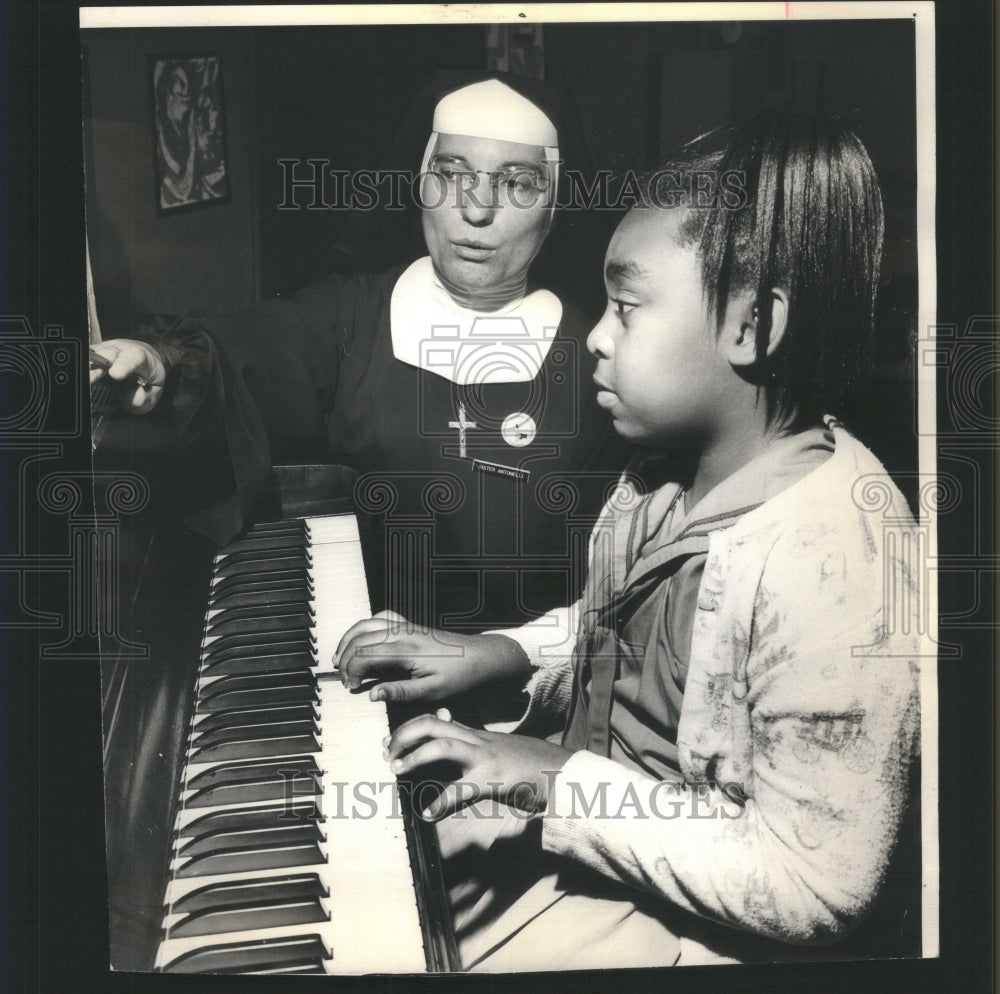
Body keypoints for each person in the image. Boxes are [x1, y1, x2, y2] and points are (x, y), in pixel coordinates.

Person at [356, 110, 921, 970]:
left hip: (704, 922)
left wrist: (550, 778)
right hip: (601, 832)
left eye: (626, 307)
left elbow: (818, 885)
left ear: (751, 328)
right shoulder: (666, 469)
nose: (596, 333)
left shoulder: (838, 557)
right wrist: (503, 653)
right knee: (376, 868)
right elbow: (628, 624)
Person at [90, 75, 630, 649]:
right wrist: (166, 363)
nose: (477, 209)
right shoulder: (352, 314)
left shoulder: (597, 354)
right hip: (361, 670)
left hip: (527, 690)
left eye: (517, 184)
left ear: (553, 203)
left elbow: (632, 582)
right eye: (451, 175)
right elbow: (251, 350)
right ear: (421, 184)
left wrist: (514, 655)